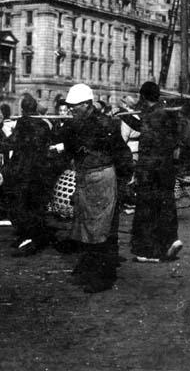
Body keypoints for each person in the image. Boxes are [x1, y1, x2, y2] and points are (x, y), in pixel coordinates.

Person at [53, 83, 133, 293]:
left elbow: (122, 154)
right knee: (85, 227)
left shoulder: (105, 125)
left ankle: (102, 276)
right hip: (84, 178)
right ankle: (89, 267)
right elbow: (67, 150)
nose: (70, 109)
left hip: (101, 179)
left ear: (87, 105)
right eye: (68, 106)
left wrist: (124, 182)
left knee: (100, 229)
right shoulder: (73, 126)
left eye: (74, 106)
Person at [124, 81, 183, 263]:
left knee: (148, 209)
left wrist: (124, 114)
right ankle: (171, 240)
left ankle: (151, 251)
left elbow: (146, 135)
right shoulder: (166, 113)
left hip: (151, 169)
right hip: (166, 168)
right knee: (166, 205)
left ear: (143, 97)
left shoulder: (152, 115)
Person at [6, 92, 62, 256]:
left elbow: (13, 142)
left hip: (23, 169)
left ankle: (29, 238)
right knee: (35, 205)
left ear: (23, 109)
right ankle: (31, 236)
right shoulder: (43, 125)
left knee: (21, 204)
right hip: (40, 169)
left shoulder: (23, 123)